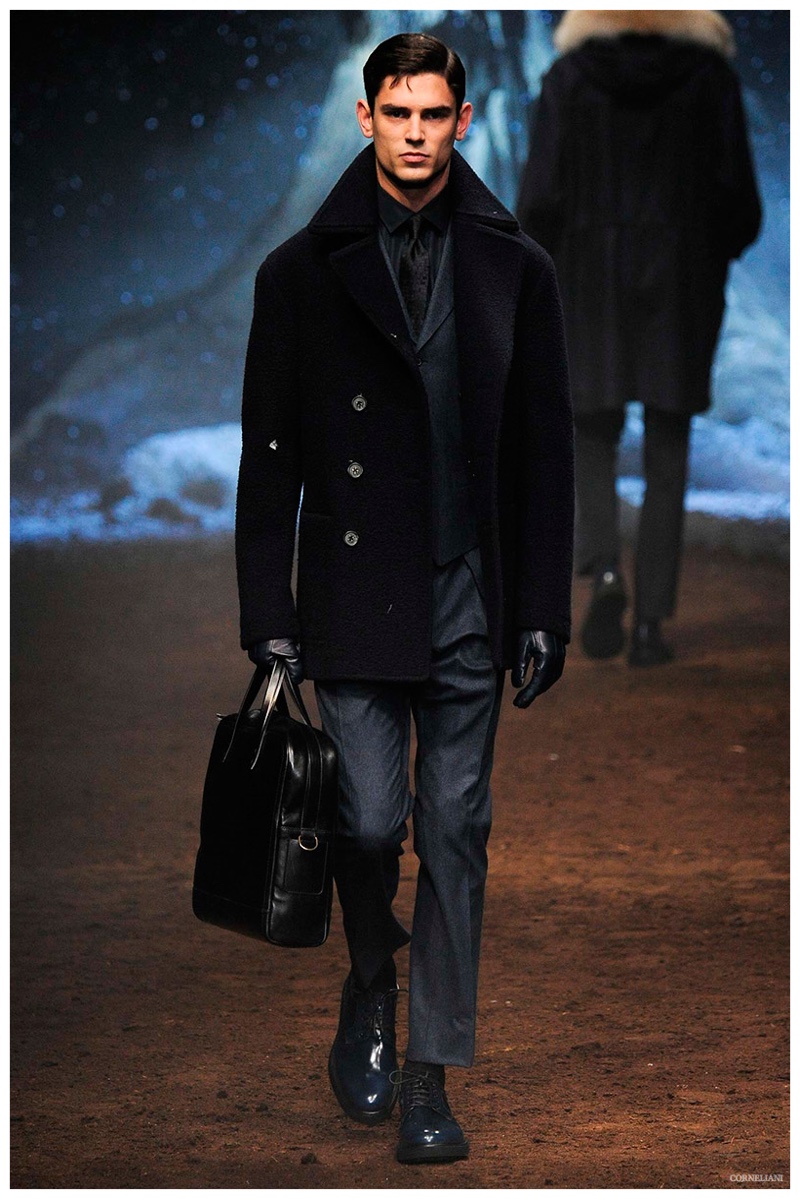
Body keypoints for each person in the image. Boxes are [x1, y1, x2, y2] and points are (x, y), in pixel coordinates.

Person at [235, 32, 574, 1164]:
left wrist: (540, 603)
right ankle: (370, 981)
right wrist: (268, 614)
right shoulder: (298, 272)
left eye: (435, 114)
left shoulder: (517, 266)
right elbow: (269, 458)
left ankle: (429, 1076)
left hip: (468, 590)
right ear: (367, 118)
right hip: (352, 592)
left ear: (462, 121)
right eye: (399, 112)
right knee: (369, 821)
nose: (417, 133)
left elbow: (543, 452)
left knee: (457, 829)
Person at [517, 10, 761, 666]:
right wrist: (705, 252)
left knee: (591, 436)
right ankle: (651, 624)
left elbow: (538, 199)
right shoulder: (710, 80)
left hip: (588, 281)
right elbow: (741, 202)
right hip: (681, 281)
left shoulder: (569, 78)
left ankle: (604, 572)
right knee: (668, 447)